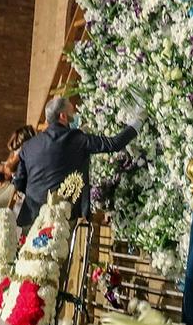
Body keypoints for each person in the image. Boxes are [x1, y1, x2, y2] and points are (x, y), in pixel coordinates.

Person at [13, 95, 138, 228]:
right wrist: (138, 122)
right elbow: (114, 144)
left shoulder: (29, 146)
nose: (74, 116)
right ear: (63, 116)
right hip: (60, 221)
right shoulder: (75, 138)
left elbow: (19, 182)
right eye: (71, 112)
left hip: (31, 218)